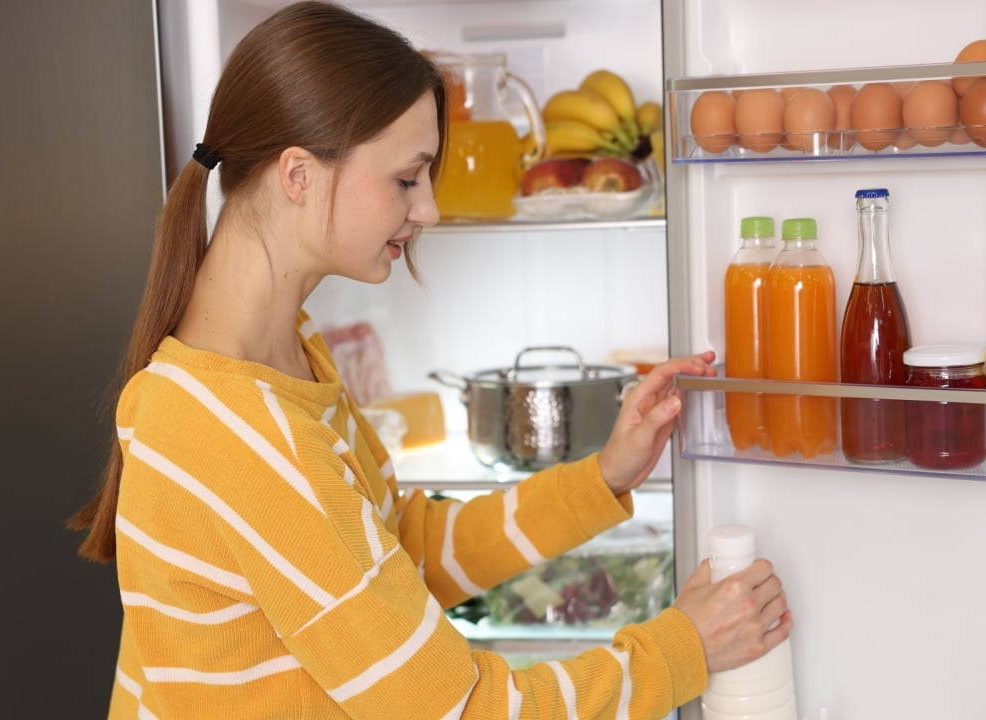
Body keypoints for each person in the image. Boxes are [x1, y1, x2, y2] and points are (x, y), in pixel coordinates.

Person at [69, 2, 793, 718]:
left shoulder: (287, 358)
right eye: (407, 179)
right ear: (297, 175)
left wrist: (604, 477)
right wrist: (683, 647)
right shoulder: (241, 432)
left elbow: (397, 551)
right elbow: (460, 711)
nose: (430, 211)